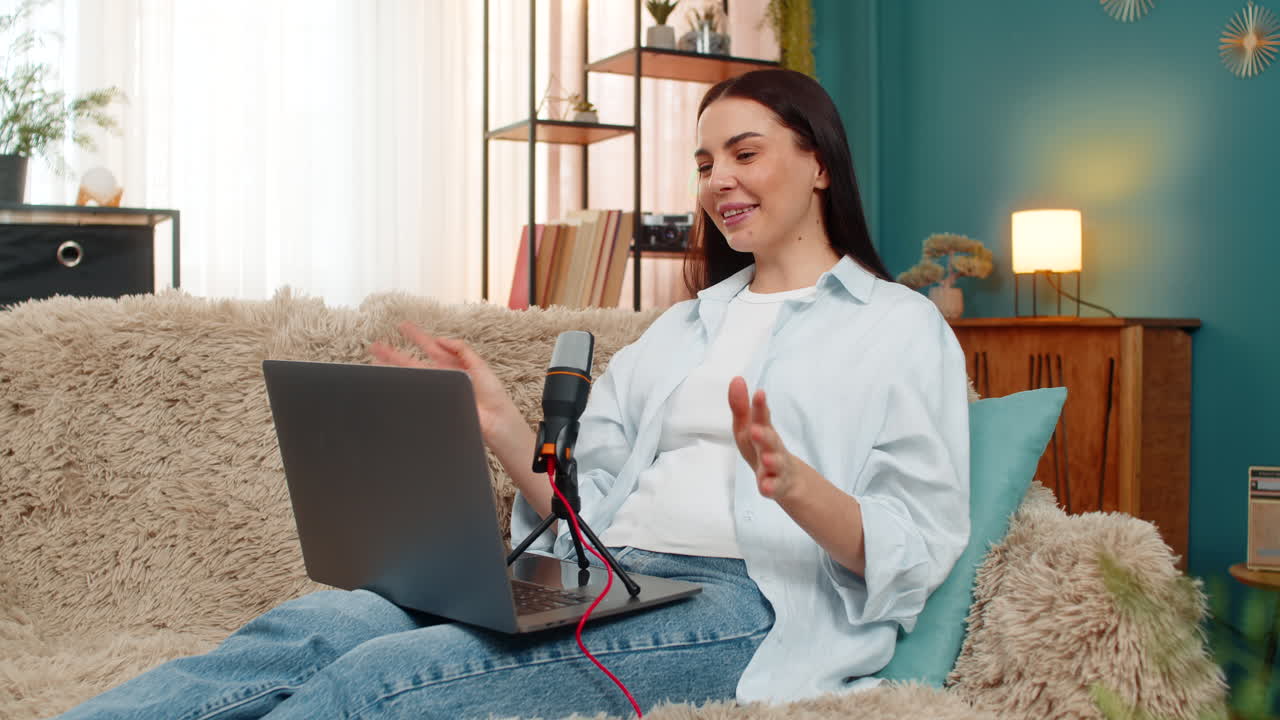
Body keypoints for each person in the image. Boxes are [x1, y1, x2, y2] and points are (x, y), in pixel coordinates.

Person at [55, 68, 970, 720]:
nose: (717, 181)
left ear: (819, 164)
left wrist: (795, 486)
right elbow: (584, 515)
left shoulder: (898, 327)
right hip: (611, 575)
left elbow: (919, 545)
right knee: (317, 627)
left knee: (382, 683)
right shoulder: (681, 329)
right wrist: (497, 423)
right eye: (701, 164)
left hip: (747, 603)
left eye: (744, 152)